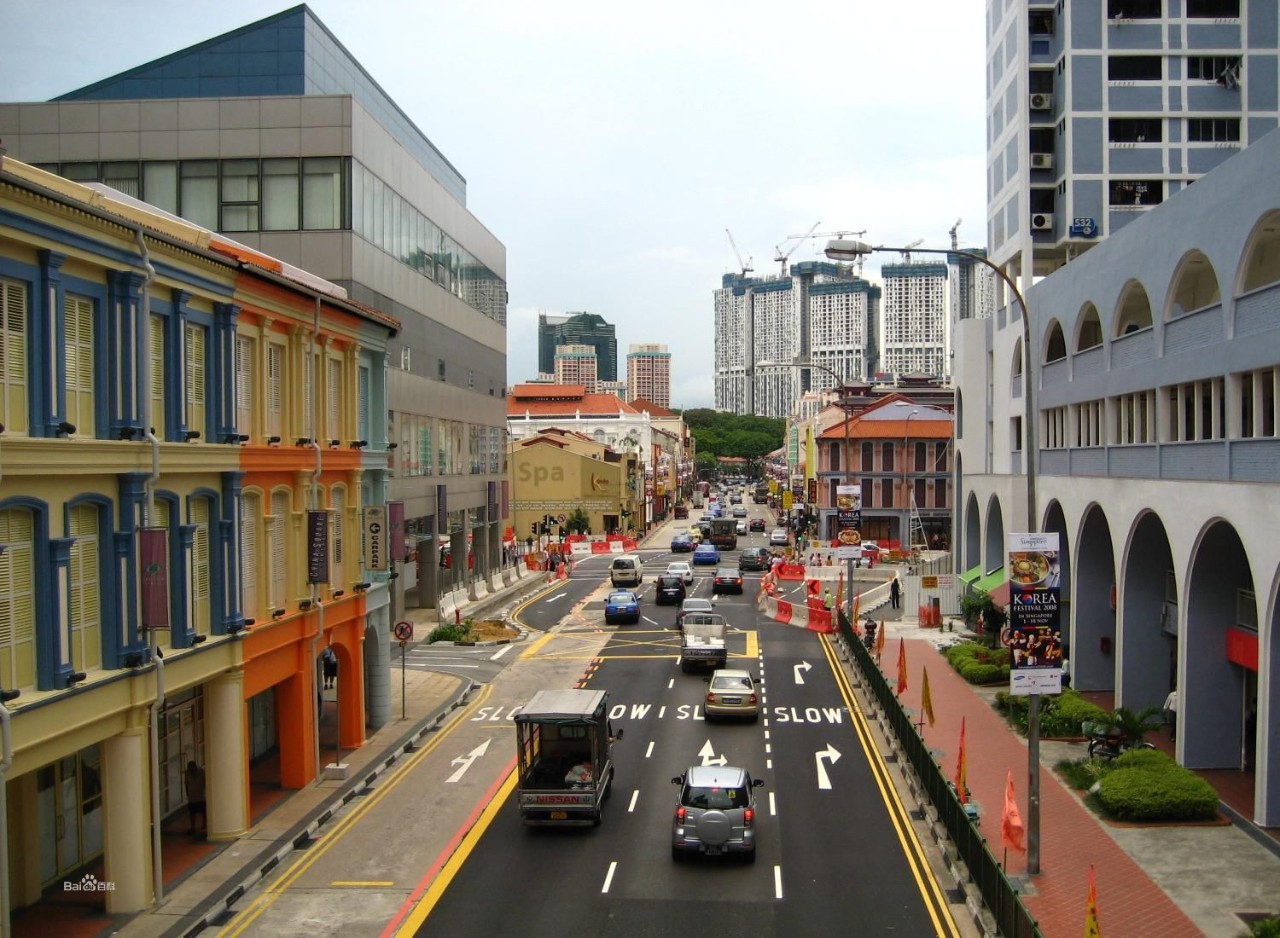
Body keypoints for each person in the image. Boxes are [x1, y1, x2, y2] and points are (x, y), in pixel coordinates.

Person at [185, 761, 207, 836]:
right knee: (192, 812)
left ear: (195, 766)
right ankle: (192, 827)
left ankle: (205, 823)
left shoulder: (201, 772)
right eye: (189, 767)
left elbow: (205, 782)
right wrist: (187, 793)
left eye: (192, 767)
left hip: (201, 796)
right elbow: (186, 783)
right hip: (192, 797)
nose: (191, 769)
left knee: (203, 811)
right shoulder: (187, 773)